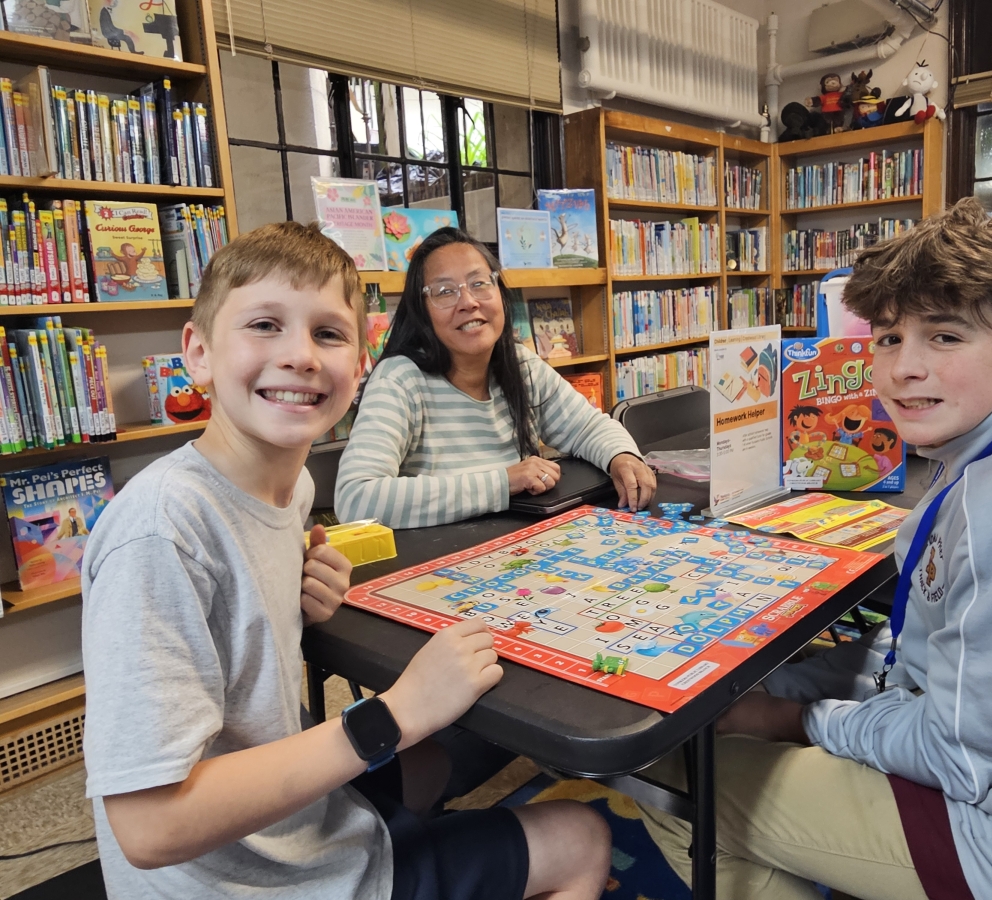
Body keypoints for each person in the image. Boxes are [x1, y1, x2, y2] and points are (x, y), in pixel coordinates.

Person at [636, 199, 992, 900]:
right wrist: (788, 690)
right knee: (743, 723)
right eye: (888, 338)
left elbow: (963, 754)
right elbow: (921, 655)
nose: (902, 367)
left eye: (943, 337)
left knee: (672, 773)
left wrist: (788, 719)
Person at [81, 222, 611, 900]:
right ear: (199, 352)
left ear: (358, 366)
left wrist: (298, 600)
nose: (300, 356)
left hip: (292, 823)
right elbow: (149, 828)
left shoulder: (291, 489)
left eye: (328, 334)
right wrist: (393, 713)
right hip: (247, 881)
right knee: (583, 837)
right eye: (265, 325)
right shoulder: (162, 529)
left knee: (433, 760)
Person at [335, 227, 656, 529]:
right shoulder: (400, 380)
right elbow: (356, 499)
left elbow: (587, 427)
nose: (468, 302)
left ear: (500, 293)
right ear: (421, 310)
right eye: (445, 292)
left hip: (518, 553)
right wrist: (503, 482)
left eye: (479, 283)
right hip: (435, 569)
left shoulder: (520, 365)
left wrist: (621, 456)